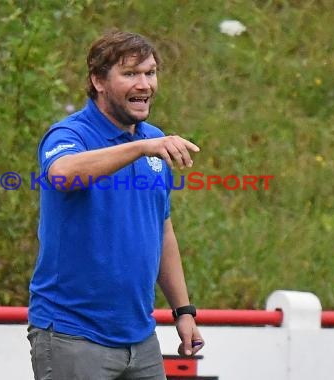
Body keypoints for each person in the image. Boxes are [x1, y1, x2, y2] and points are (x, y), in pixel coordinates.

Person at [27, 30, 204, 380]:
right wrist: (138, 149)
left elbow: (162, 229)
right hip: (72, 335)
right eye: (130, 73)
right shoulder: (70, 135)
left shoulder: (155, 139)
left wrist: (184, 311)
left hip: (141, 338)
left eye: (150, 72)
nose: (145, 84)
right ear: (98, 81)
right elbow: (62, 174)